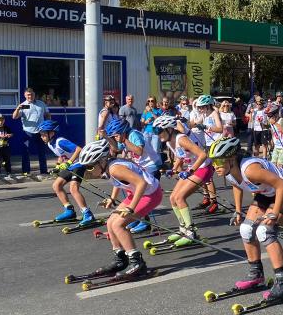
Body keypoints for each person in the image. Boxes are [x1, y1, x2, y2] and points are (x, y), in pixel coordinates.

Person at [209, 136, 283, 303]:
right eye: (214, 161)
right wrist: (238, 211)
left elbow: (281, 185)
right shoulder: (228, 170)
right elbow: (237, 185)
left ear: (231, 159)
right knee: (246, 229)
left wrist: (275, 212)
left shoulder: (250, 170)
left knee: (265, 231)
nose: (216, 166)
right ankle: (256, 275)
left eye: (219, 161)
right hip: (265, 192)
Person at [80, 140, 161, 281]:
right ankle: (120, 259)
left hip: (150, 194)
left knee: (119, 225)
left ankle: (137, 263)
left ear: (102, 161)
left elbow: (142, 183)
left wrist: (131, 208)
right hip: (135, 192)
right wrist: (112, 198)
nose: (89, 170)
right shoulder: (109, 168)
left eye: (91, 167)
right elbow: (118, 182)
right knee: (111, 221)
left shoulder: (114, 168)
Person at [155, 114, 213, 248]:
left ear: (169, 129)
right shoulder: (169, 141)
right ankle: (183, 229)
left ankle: (191, 232)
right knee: (173, 198)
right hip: (193, 168)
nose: (157, 134)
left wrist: (190, 171)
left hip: (203, 168)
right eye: (155, 131)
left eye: (158, 131)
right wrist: (173, 169)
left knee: (180, 197)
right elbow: (180, 157)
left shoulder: (181, 139)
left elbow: (203, 155)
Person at [38, 120, 95, 227]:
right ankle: (69, 211)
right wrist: (57, 166)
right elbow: (61, 155)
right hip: (70, 166)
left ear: (52, 133)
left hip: (78, 164)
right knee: (56, 185)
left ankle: (87, 214)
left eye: (44, 134)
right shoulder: (50, 143)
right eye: (41, 135)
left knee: (73, 189)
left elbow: (79, 149)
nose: (42, 137)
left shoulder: (60, 141)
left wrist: (68, 162)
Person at [12, 88, 50, 176]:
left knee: (42, 152)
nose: (30, 96)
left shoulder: (41, 104)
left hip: (41, 132)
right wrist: (17, 109)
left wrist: (48, 125)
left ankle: (44, 171)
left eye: (31, 94)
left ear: (34, 94)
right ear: (25, 96)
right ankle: (26, 171)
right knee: (26, 152)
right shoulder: (24, 105)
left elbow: (47, 114)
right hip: (28, 132)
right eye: (28, 95)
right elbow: (14, 117)